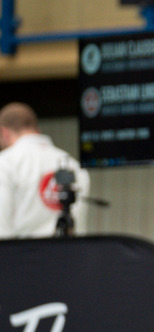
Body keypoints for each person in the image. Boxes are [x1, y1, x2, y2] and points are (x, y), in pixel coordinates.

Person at [0, 102, 90, 239]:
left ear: (3, 132)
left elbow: (2, 230)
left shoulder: (5, 164)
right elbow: (78, 228)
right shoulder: (74, 166)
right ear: (37, 130)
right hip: (69, 257)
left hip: (19, 257)